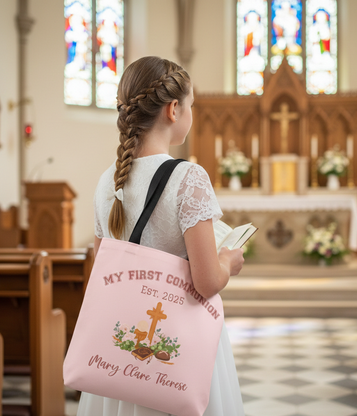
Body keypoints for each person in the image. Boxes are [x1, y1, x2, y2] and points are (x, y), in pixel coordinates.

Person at [77, 56, 245, 416]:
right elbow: (207, 282)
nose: (191, 114)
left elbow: (100, 276)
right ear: (173, 110)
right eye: (191, 106)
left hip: (121, 352)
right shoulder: (189, 178)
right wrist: (228, 260)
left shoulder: (107, 180)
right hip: (176, 353)